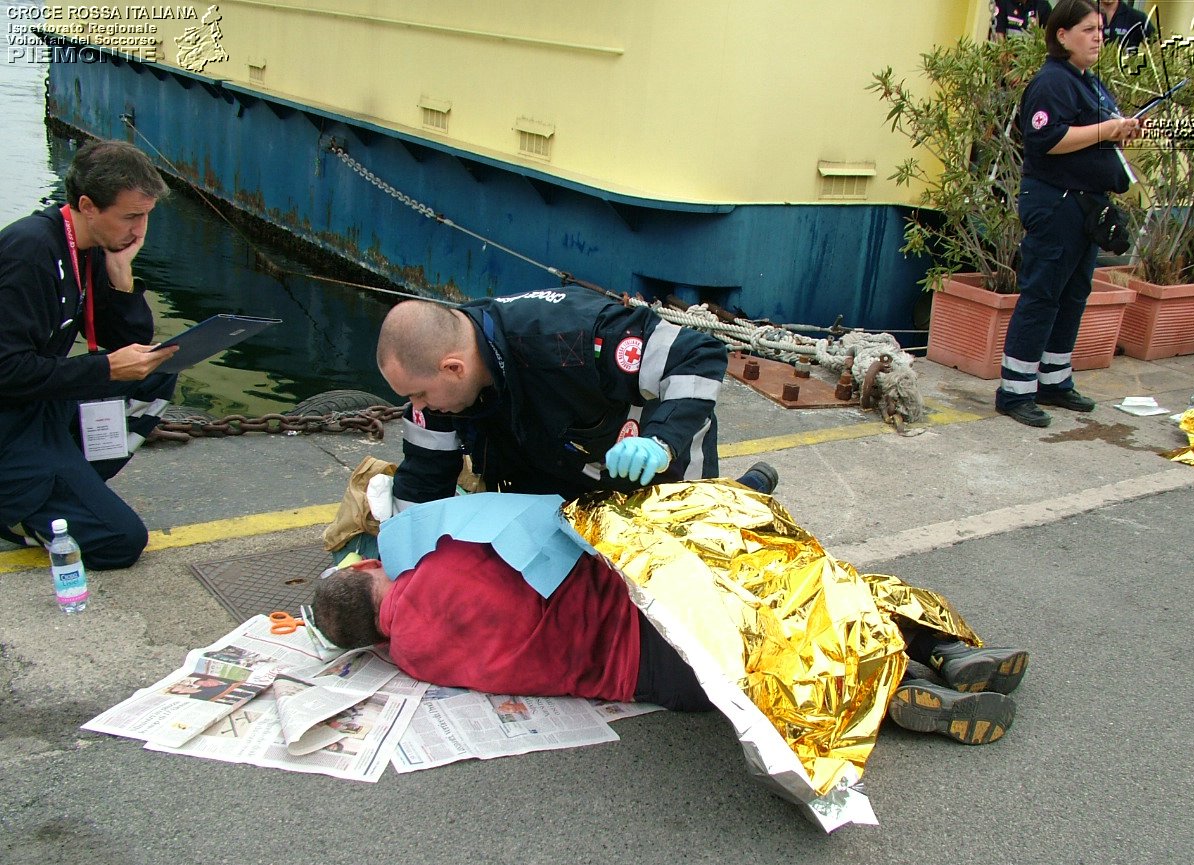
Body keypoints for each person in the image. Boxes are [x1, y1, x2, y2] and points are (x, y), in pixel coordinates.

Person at [312, 491, 1030, 742]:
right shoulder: (444, 558)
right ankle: (941, 649)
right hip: (655, 611)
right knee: (803, 598)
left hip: (654, 680)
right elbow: (550, 525)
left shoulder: (409, 659)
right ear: (368, 569)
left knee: (779, 669)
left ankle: (902, 694)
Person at [375, 286, 777, 510]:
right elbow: (424, 479)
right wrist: (401, 549)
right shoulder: (446, 376)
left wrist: (659, 443)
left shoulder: (571, 337)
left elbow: (696, 355)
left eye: (419, 394)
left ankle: (742, 495)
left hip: (653, 455)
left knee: (686, 553)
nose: (419, 407)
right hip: (566, 468)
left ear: (453, 368)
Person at [0, 140, 179, 568]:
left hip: (37, 407)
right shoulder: (29, 253)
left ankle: (70, 482)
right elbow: (5, 370)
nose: (140, 230)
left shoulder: (88, 249)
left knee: (157, 371)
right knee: (121, 540)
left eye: (147, 216)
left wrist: (120, 273)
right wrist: (104, 368)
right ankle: (24, 512)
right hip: (10, 426)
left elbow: (126, 341)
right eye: (132, 216)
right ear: (88, 205)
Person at [995, 0, 1140, 427]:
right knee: (1042, 294)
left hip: (1087, 205)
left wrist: (1123, 129)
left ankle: (1054, 380)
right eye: (1088, 29)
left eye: (1100, 29)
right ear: (1062, 35)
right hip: (1056, 203)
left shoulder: (1088, 82)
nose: (1098, 36)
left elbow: (1099, 133)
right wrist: (1106, 130)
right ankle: (1015, 390)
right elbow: (1047, 139)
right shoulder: (1051, 82)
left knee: (1074, 294)